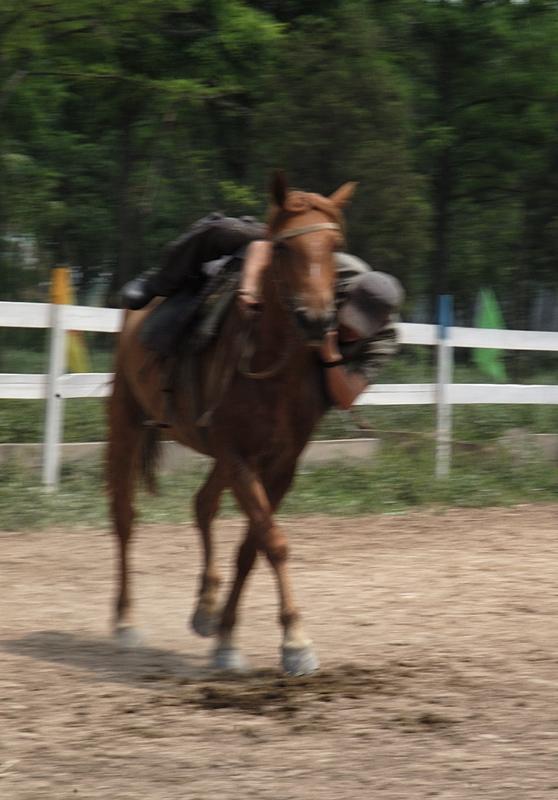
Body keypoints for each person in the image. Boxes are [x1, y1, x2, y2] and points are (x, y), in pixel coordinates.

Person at [121, 215, 404, 410]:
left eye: (359, 329)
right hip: (293, 289)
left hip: (319, 378)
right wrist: (248, 287)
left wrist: (331, 356)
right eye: (348, 319)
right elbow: (263, 249)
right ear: (345, 292)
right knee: (227, 230)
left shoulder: (385, 339)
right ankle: (159, 281)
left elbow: (348, 398)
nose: (349, 330)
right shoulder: (340, 268)